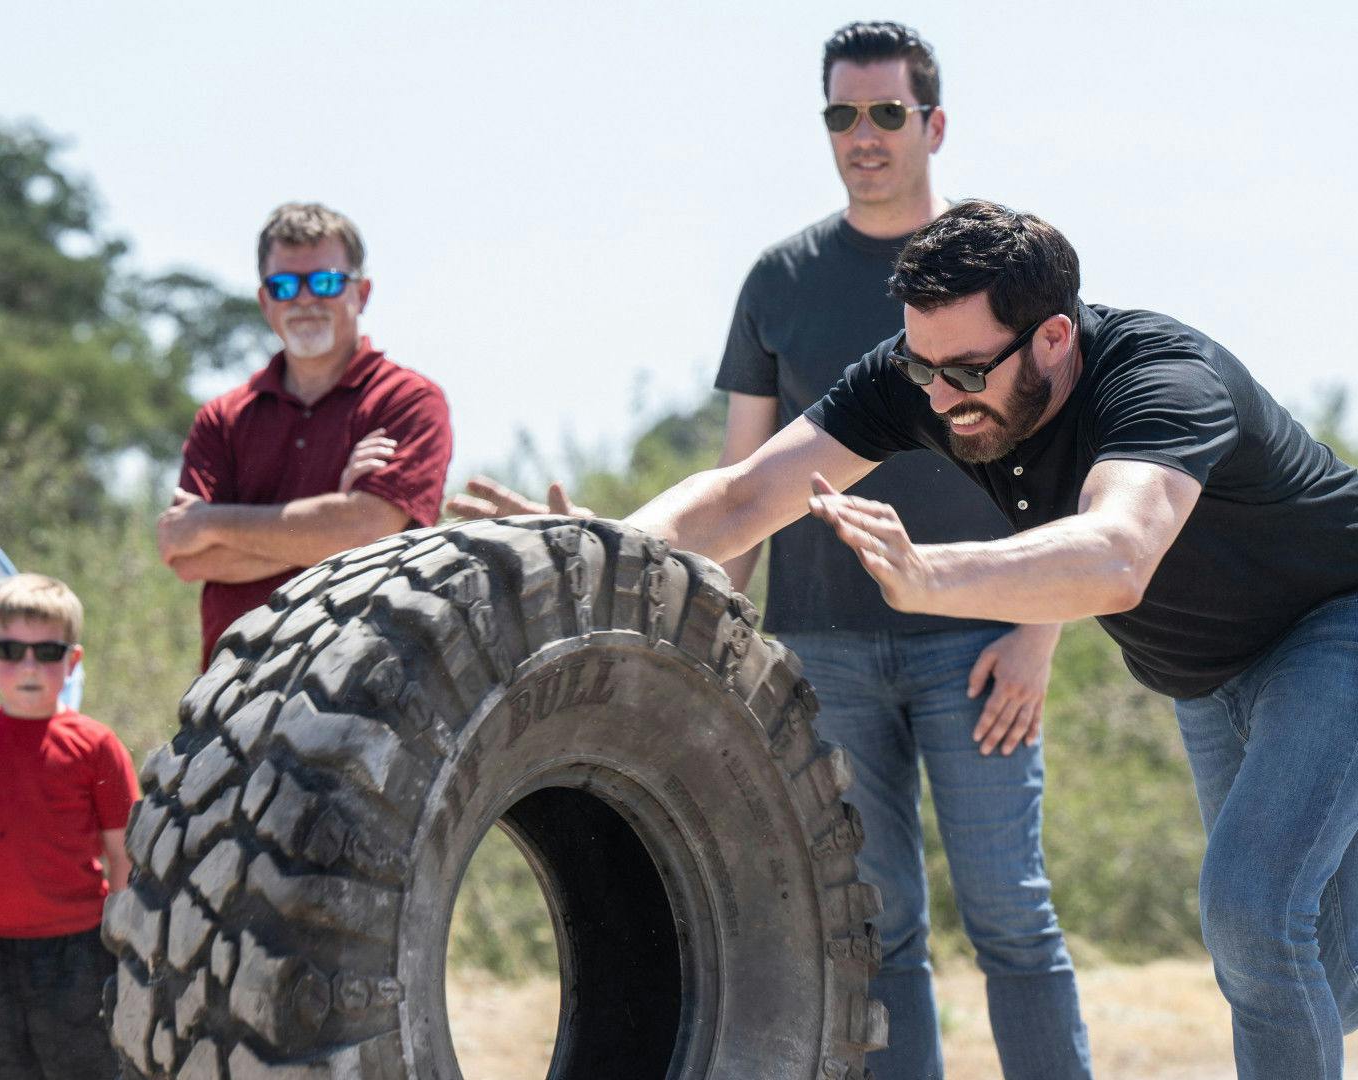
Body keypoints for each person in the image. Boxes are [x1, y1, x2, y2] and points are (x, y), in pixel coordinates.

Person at [623, 199, 1358, 1080]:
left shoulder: (1163, 379)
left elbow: (1118, 554)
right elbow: (747, 494)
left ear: (1052, 337)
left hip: (1354, 621)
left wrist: (931, 576)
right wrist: (591, 555)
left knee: (1252, 918)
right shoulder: (924, 380)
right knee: (1317, 969)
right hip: (1208, 673)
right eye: (922, 367)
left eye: (966, 372)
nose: (942, 396)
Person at [449, 24, 1091, 1078]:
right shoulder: (779, 278)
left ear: (934, 124)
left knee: (1011, 918)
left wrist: (1039, 631)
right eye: (842, 114)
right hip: (824, 651)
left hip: (975, 643)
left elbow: (1067, 459)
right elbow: (742, 489)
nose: (864, 135)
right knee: (875, 928)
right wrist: (614, 570)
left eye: (887, 113)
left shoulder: (996, 271)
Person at [159, 202, 452, 668]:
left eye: (326, 281)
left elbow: (364, 529)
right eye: (284, 285)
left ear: (363, 292)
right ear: (264, 301)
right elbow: (186, 557)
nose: (304, 299)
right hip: (232, 691)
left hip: (368, 682)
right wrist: (331, 524)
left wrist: (211, 522)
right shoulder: (222, 417)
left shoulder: (407, 401)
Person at [0, 573, 139, 1078]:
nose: (28, 665)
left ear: (73, 660)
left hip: (80, 952)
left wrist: (127, 948)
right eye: (10, 649)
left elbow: (125, 856)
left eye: (47, 651)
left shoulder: (97, 745)